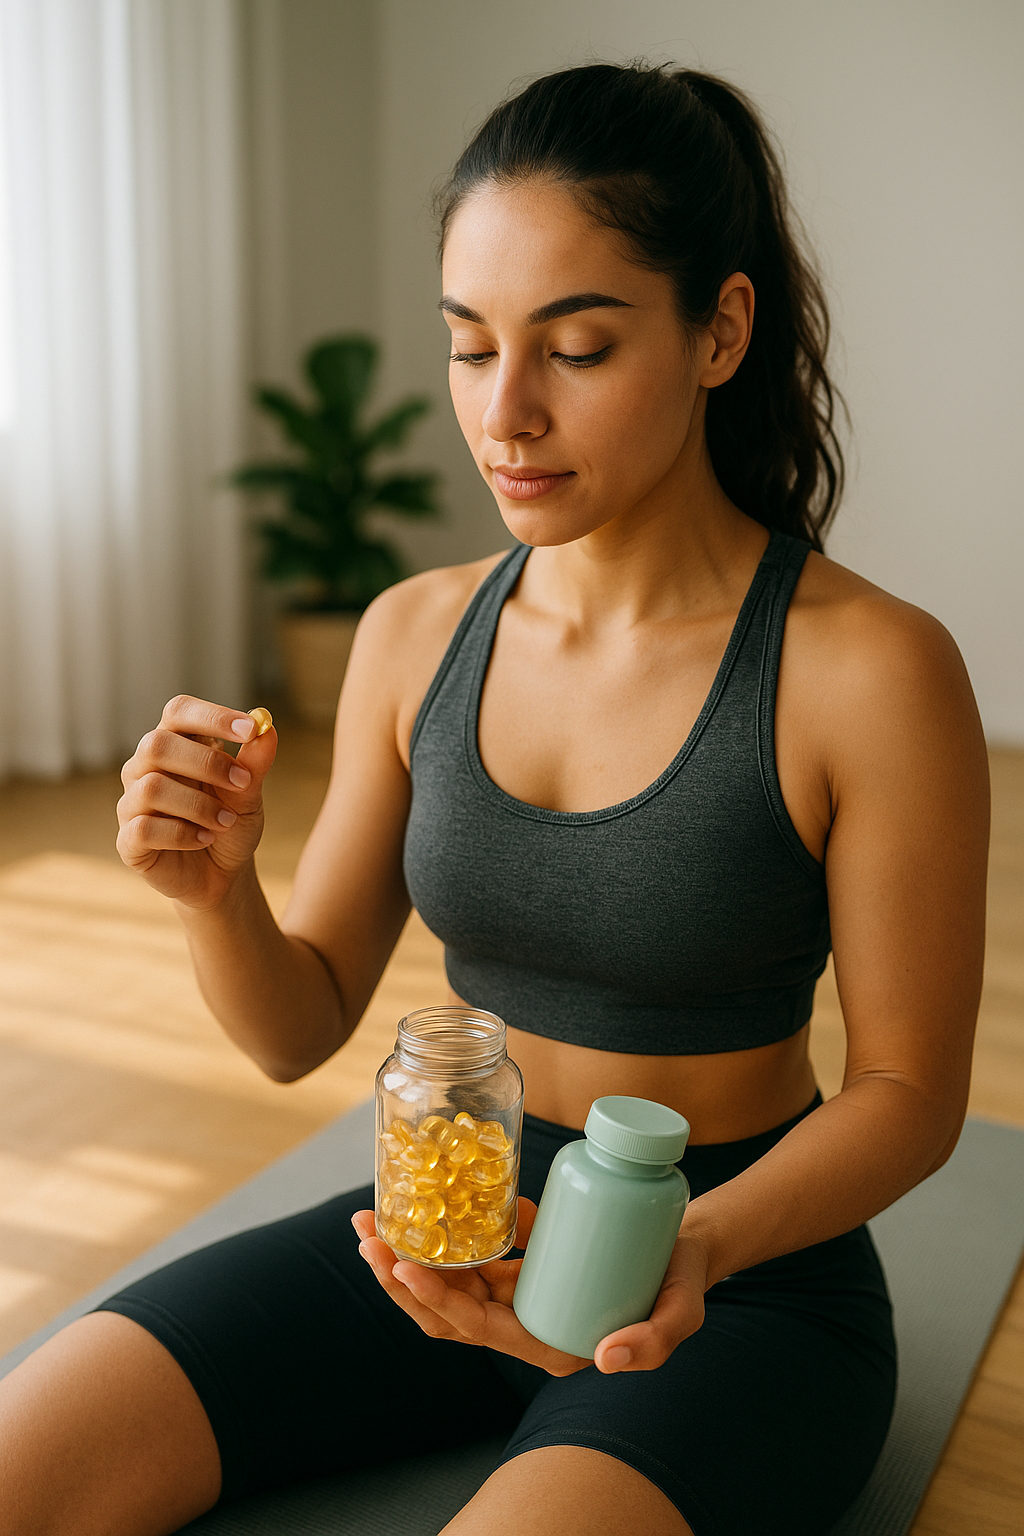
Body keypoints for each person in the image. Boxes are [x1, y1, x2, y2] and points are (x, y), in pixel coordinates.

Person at [0, 62, 988, 1536]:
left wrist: (686, 1250)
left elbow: (910, 1096)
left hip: (739, 1274)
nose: (505, 412)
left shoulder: (871, 669)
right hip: (443, 1225)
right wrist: (215, 893)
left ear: (720, 331)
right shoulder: (415, 633)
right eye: (470, 347)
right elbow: (295, 1026)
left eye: (577, 348)